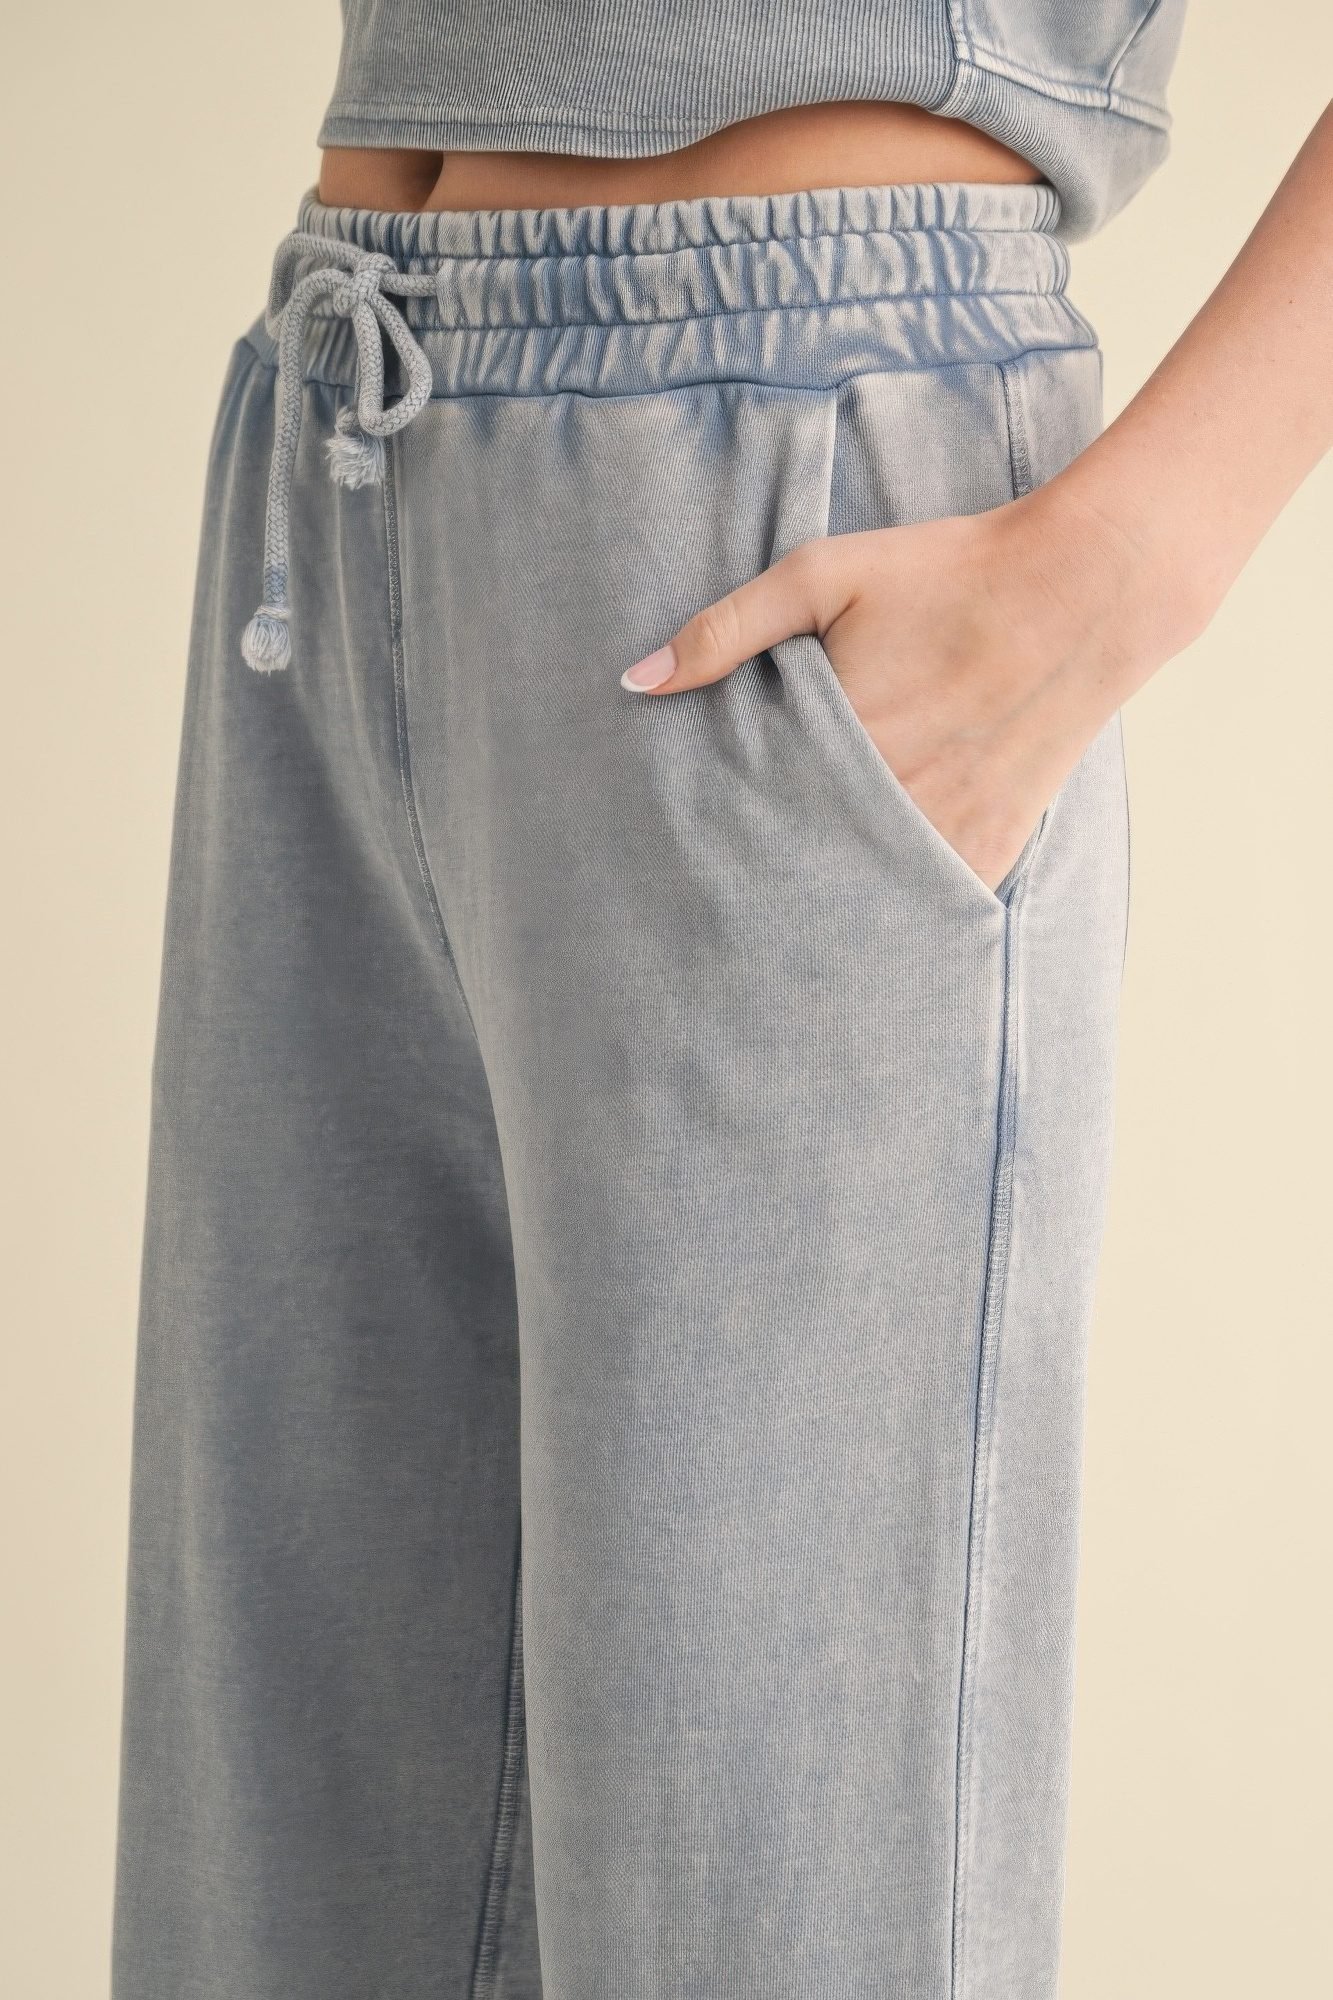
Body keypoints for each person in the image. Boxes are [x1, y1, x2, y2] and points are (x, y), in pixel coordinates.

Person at [109, 5, 1332, 1997]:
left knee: (763, 1914)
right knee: (280, 1902)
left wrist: (1130, 560)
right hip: (335, 432)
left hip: (781, 482)